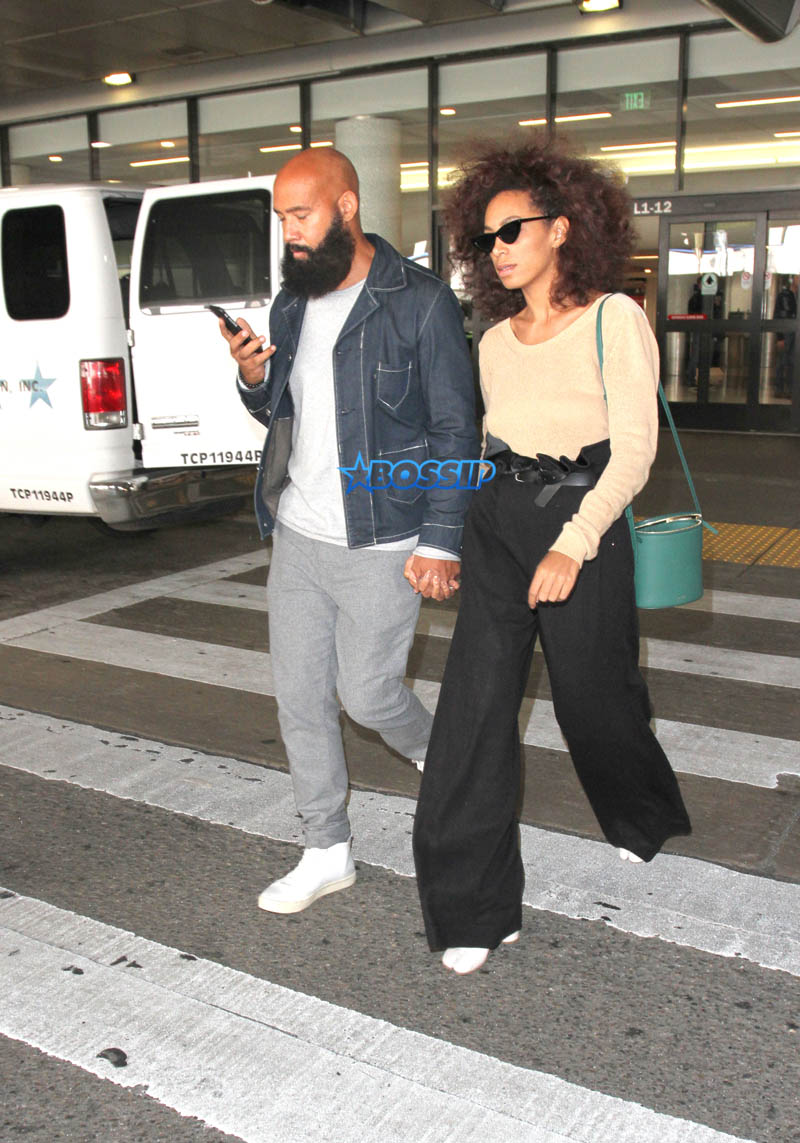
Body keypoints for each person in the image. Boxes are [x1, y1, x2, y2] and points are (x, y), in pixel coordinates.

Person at [412, 139, 692, 975]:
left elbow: (635, 453)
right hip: (499, 522)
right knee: (474, 710)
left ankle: (643, 815)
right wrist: (447, 533)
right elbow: (489, 443)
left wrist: (573, 544)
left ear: (562, 228)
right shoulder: (495, 341)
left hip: (583, 522)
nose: (496, 250)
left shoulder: (615, 319)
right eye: (485, 238)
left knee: (594, 701)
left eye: (511, 232)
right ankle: (476, 910)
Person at [218, 147, 478, 915]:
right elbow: (281, 415)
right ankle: (326, 847)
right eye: (281, 218)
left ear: (348, 207)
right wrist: (254, 378)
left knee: (366, 694)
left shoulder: (419, 301)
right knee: (299, 699)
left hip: (384, 537)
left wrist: (442, 537)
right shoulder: (290, 304)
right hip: (300, 533)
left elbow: (457, 429)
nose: (290, 232)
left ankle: (445, 755)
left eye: (302, 214)